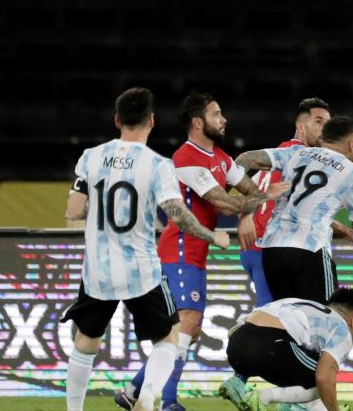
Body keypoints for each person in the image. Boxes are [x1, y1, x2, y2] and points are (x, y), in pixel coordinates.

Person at [63, 88, 230, 411]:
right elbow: (178, 216)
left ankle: (74, 410)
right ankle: (148, 397)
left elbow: (73, 209)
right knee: (168, 340)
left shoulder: (91, 156)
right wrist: (211, 235)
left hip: (99, 269)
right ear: (152, 121)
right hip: (142, 270)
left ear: (117, 120)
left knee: (84, 345)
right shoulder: (157, 165)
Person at [119, 92, 275, 411]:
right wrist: (253, 204)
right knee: (186, 323)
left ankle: (134, 389)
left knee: (189, 327)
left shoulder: (220, 158)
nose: (224, 119)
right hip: (178, 249)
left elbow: (249, 190)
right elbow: (222, 199)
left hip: (194, 253)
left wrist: (249, 211)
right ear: (197, 122)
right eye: (217, 114)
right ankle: (168, 402)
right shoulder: (186, 157)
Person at [220, 97, 351, 408]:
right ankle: (292, 400)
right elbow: (242, 172)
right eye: (318, 121)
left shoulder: (284, 153)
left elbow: (288, 201)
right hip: (269, 245)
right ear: (300, 125)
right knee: (297, 322)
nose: (324, 127)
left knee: (275, 320)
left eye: (327, 122)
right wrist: (247, 214)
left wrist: (336, 225)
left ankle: (245, 381)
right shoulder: (298, 154)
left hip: (258, 249)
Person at [235, 116, 353, 304]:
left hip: (273, 251)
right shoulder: (352, 174)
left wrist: (248, 209)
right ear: (352, 145)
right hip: (310, 251)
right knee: (325, 317)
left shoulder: (295, 153)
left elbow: (244, 160)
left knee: (286, 319)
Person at [224, 287, 353, 411]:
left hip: (235, 346)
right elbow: (323, 378)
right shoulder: (341, 328)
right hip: (271, 345)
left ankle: (238, 383)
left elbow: (232, 332)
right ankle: (263, 398)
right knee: (322, 383)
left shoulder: (298, 303)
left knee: (303, 364)